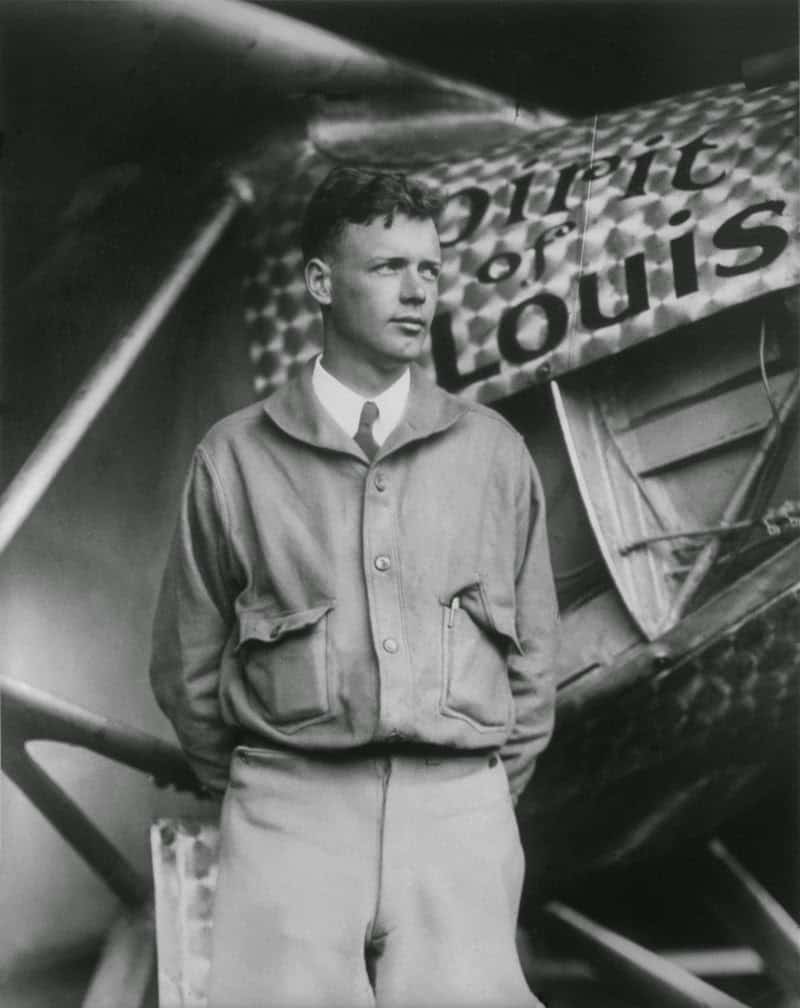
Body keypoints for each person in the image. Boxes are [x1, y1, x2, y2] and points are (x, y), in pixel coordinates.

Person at [150, 166, 559, 1008]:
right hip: (289, 817)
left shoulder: (494, 453)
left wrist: (473, 797)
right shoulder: (234, 459)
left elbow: (536, 666)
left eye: (430, 270)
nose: (417, 293)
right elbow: (187, 669)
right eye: (387, 268)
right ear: (320, 284)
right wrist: (267, 798)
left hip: (459, 818)